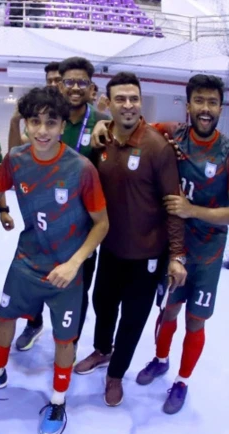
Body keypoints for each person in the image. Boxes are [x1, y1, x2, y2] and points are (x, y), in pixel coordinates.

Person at [0, 86, 109, 434]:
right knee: (5, 318)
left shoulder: (81, 168)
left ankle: (58, 400)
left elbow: (102, 224)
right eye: (34, 122)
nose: (42, 130)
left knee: (64, 339)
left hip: (65, 270)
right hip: (26, 259)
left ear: (62, 125)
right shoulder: (16, 159)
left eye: (51, 123)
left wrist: (75, 264)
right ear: (25, 124)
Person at [73, 72, 187, 407]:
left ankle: (115, 375)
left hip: (146, 254)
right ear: (107, 103)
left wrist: (176, 255)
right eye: (120, 99)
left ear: (140, 102)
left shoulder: (157, 147)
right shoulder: (102, 140)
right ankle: (102, 350)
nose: (128, 105)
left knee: (133, 318)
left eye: (134, 98)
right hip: (110, 247)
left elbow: (173, 205)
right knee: (102, 304)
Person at [131, 75, 228, 414]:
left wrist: (192, 210)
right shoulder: (171, 134)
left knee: (195, 320)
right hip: (174, 248)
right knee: (168, 310)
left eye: (212, 102)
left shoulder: (227, 152)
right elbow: (136, 128)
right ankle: (160, 360)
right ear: (188, 105)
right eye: (199, 101)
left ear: (220, 108)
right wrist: (101, 126)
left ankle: (182, 381)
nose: (205, 108)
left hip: (208, 254)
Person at [13, 57, 109, 353]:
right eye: (69, 82)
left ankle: (71, 341)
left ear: (91, 87)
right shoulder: (47, 119)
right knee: (33, 278)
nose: (75, 88)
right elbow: (19, 154)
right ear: (59, 84)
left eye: (82, 82)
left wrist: (107, 121)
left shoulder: (101, 122)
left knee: (78, 286)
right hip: (43, 218)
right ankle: (34, 323)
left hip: (81, 224)